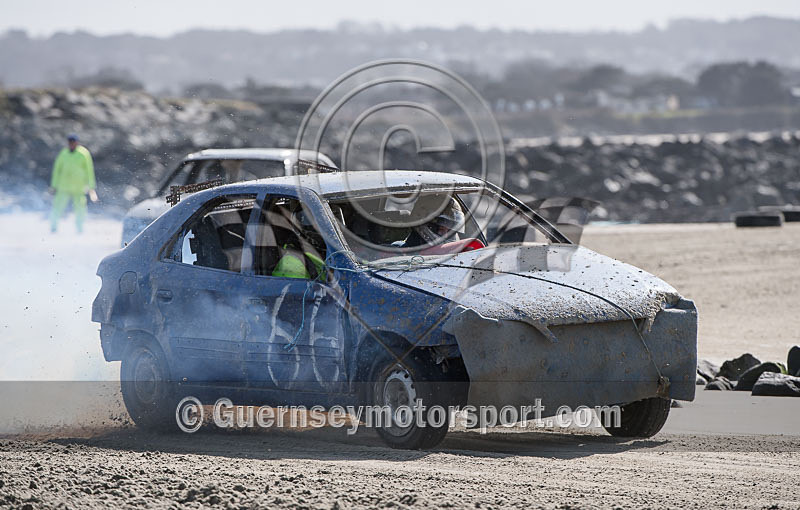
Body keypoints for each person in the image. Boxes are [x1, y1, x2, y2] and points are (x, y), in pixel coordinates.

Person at [49, 134, 97, 233]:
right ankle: (53, 227)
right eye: (70, 143)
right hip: (63, 186)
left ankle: (80, 229)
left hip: (79, 187)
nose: (71, 144)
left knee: (80, 209)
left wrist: (91, 186)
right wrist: (54, 185)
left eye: (73, 142)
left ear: (77, 143)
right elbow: (57, 170)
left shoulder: (83, 153)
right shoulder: (63, 153)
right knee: (57, 207)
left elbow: (89, 170)